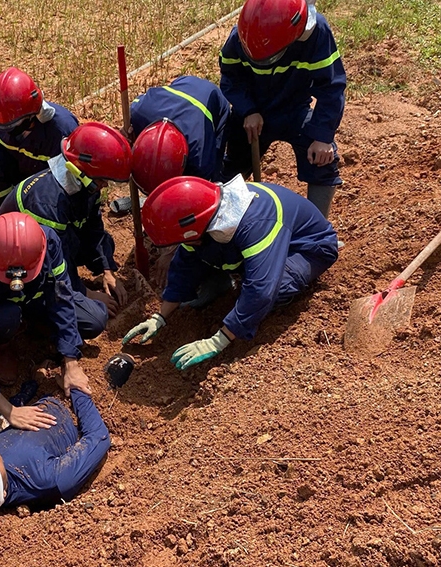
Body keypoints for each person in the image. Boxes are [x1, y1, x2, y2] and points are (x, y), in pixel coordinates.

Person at [124, 176, 338, 369]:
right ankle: (231, 282)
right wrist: (159, 317)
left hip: (307, 247)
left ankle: (253, 303)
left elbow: (261, 290)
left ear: (193, 228)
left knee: (276, 288)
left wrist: (219, 340)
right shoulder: (203, 216)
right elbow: (184, 268)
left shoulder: (255, 224)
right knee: (209, 254)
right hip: (257, 242)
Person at [0, 212, 102, 431]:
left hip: (33, 298)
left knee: (94, 320)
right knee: (5, 318)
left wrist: (71, 361)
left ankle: (32, 327)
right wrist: (8, 410)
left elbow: (62, 297)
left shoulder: (46, 243)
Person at [219, 0, 346, 218]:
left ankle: (316, 230)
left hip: (294, 109)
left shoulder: (317, 34)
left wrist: (322, 136)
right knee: (230, 170)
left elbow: (331, 87)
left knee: (322, 158)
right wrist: (247, 109)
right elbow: (231, 78)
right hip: (253, 112)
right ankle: (224, 223)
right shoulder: (240, 37)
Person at [0, 377, 109, 533]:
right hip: (65, 407)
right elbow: (98, 436)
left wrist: (22, 395)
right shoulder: (50, 480)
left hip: (27, 403)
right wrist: (75, 389)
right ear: (3, 492)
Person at [0, 122, 131, 316]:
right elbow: (58, 260)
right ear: (81, 171)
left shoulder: (84, 183)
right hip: (27, 265)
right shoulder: (48, 205)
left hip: (58, 245)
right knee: (93, 319)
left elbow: (94, 227)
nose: (104, 185)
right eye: (103, 180)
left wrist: (107, 268)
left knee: (104, 243)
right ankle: (36, 317)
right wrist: (87, 293)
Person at [0, 67, 79, 216]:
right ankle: (8, 216)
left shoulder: (62, 130)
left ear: (33, 115)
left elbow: (71, 183)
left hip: (48, 186)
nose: (7, 131)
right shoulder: (0, 118)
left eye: (12, 127)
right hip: (18, 175)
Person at [128, 75, 231, 194]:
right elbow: (135, 104)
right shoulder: (139, 113)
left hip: (214, 102)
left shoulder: (201, 160)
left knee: (208, 184)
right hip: (184, 83)